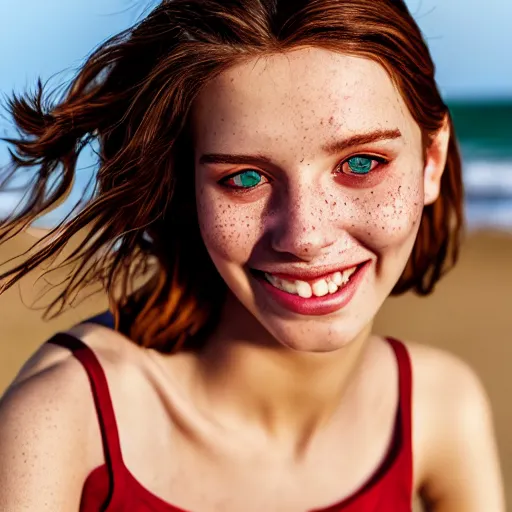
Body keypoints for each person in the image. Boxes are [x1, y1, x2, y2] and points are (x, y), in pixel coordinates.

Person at [0, 0, 505, 510]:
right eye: (243, 178)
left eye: (361, 162)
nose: (305, 236)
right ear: (188, 187)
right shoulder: (62, 419)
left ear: (431, 162)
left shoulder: (438, 406)